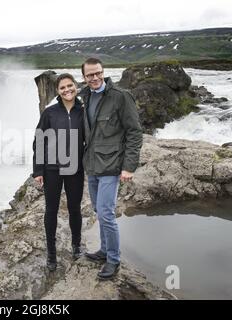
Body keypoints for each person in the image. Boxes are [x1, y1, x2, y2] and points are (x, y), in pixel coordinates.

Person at [80, 57, 142, 279]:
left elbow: (134, 132)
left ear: (103, 72)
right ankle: (104, 250)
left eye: (98, 73)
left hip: (112, 164)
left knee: (106, 213)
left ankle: (113, 260)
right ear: (84, 77)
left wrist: (129, 166)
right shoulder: (84, 96)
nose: (94, 78)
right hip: (93, 165)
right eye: (90, 75)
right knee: (98, 209)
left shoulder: (120, 97)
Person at [32, 73, 85, 271]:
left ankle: (76, 246)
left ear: (76, 86)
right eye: (62, 88)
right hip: (52, 169)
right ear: (57, 91)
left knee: (74, 209)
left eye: (70, 86)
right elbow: (39, 140)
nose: (67, 90)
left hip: (75, 169)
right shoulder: (50, 113)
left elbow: (91, 139)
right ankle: (51, 253)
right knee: (51, 211)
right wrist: (38, 169)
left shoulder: (83, 111)